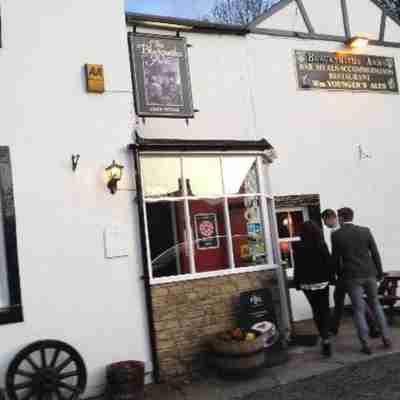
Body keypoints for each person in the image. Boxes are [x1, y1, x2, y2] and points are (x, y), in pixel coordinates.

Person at [331, 207, 391, 355]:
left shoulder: (337, 235)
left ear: (341, 218)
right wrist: (380, 272)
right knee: (376, 305)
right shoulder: (366, 231)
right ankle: (386, 337)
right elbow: (375, 252)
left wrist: (339, 275)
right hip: (370, 273)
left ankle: (365, 344)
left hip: (351, 276)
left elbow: (335, 259)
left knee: (358, 310)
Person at [321, 209, 380, 338]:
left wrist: (335, 274)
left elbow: (337, 256)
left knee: (349, 301)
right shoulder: (337, 231)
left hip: (347, 274)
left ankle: (371, 327)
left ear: (331, 218)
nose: (325, 224)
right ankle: (372, 327)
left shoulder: (337, 232)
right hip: (348, 272)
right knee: (342, 300)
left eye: (325, 221)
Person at [293, 221, 334, 357]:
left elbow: (298, 267)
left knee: (316, 311)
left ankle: (323, 338)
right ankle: (326, 338)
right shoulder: (321, 244)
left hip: (307, 284)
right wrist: (332, 278)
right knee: (325, 310)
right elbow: (328, 262)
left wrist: (297, 283)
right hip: (322, 282)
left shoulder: (298, 246)